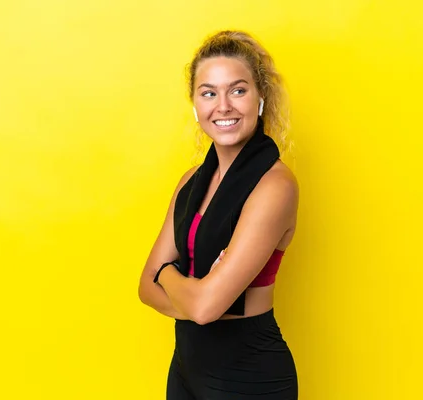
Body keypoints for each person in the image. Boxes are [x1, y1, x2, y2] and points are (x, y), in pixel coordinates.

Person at [138, 30, 299, 400]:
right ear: (195, 105)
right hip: (185, 370)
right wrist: (195, 297)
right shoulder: (191, 181)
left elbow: (205, 306)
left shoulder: (274, 186)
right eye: (209, 92)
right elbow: (145, 288)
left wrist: (169, 275)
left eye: (238, 90)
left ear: (260, 100)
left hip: (248, 376)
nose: (222, 106)